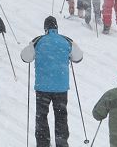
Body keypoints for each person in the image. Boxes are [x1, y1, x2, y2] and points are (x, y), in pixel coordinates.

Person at [21, 16, 83, 147]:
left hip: (43, 87)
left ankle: (43, 143)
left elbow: (25, 57)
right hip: (61, 88)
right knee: (61, 117)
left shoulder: (38, 41)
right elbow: (78, 57)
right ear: (57, 27)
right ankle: (61, 142)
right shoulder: (66, 41)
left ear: (45, 28)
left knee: (41, 116)